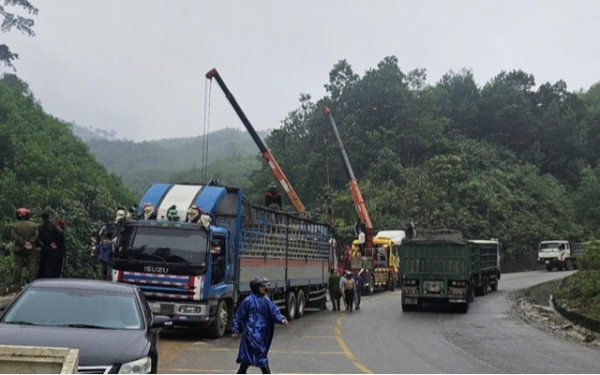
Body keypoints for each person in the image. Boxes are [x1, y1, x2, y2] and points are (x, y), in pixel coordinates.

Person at [232, 276, 288, 375]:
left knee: (249, 359)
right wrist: (235, 330)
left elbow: (274, 311)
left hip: (261, 335)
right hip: (250, 335)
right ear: (257, 287)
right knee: (257, 358)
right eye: (262, 286)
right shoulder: (248, 301)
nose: (264, 288)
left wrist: (281, 318)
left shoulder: (266, 300)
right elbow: (238, 316)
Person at [10, 208, 39, 291]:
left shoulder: (14, 225)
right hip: (31, 248)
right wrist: (29, 242)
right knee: (32, 265)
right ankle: (32, 283)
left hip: (19, 249)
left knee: (18, 266)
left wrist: (23, 243)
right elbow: (36, 236)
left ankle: (17, 284)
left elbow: (14, 236)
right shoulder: (33, 225)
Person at [37, 211, 63, 279]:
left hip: (44, 247)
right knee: (50, 266)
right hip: (52, 248)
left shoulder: (40, 227)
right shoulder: (54, 225)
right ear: (49, 217)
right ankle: (49, 280)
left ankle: (42, 280)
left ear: (42, 219)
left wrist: (41, 244)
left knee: (42, 265)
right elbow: (60, 232)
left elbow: (36, 238)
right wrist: (56, 242)